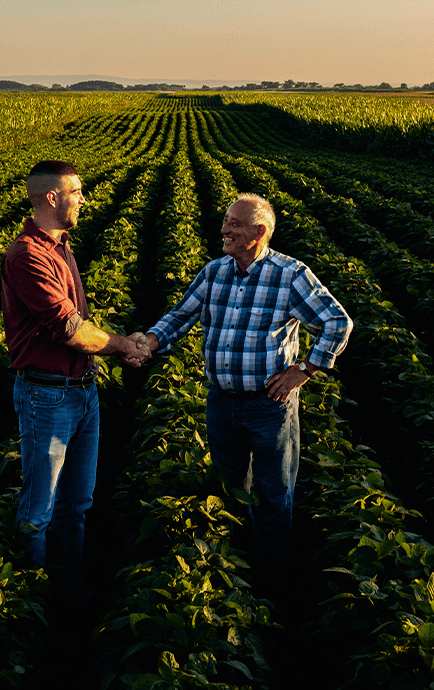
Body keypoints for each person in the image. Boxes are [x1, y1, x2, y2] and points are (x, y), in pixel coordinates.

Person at [139, 193, 352, 590]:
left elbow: (337, 323)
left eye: (234, 224)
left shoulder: (290, 275)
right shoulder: (215, 272)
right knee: (227, 492)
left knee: (273, 496)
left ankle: (271, 582)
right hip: (222, 404)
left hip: (269, 406)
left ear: (259, 232)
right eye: (225, 221)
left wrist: (303, 370)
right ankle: (231, 573)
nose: (224, 230)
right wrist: (149, 342)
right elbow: (181, 315)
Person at [0, 159, 150, 603]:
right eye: (77, 192)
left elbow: (79, 326)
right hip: (47, 398)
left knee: (77, 505)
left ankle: (71, 585)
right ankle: (32, 601)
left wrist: (106, 353)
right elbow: (67, 328)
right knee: (38, 509)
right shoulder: (27, 255)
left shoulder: (61, 246)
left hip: (81, 392)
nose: (83, 199)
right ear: (52, 197)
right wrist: (124, 347)